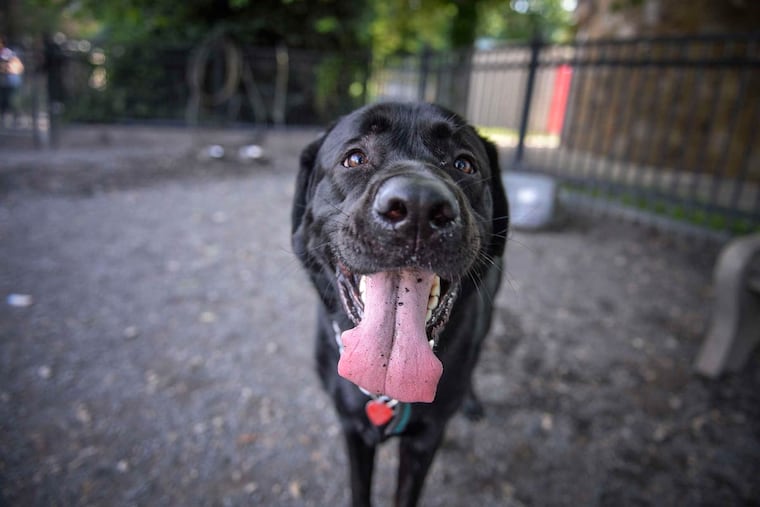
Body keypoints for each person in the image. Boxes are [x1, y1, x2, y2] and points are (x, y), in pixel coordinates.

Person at [0, 37, 24, 126]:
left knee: (12, 101)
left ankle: (17, 119)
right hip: (3, 82)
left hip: (10, 82)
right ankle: (3, 119)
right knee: (3, 101)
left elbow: (14, 67)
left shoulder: (7, 53)